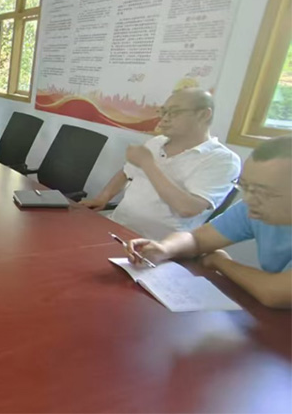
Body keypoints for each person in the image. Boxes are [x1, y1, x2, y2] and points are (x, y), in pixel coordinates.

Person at [126, 136, 292, 309]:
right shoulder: (251, 209)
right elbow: (196, 239)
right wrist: (165, 248)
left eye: (264, 192)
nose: (248, 199)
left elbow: (274, 293)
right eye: (245, 186)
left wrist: (221, 262)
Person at [80, 88, 240, 240]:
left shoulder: (222, 160)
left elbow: (187, 208)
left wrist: (148, 164)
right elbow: (126, 172)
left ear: (204, 115)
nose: (165, 119)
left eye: (174, 112)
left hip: (157, 245)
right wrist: (103, 198)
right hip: (116, 227)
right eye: (163, 112)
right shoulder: (157, 142)